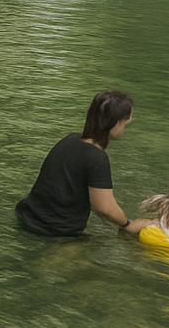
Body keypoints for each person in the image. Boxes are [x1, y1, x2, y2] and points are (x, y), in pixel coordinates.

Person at [15, 90, 151, 237]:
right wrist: (128, 224)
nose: (124, 130)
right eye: (125, 124)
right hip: (55, 231)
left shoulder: (69, 140)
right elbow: (104, 207)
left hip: (26, 215)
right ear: (115, 123)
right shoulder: (97, 157)